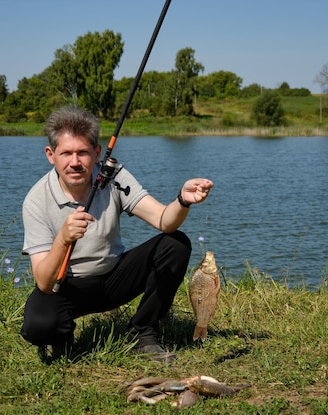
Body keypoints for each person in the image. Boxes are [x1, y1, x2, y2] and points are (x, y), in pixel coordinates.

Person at [20, 106, 214, 363]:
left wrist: (182, 200)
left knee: (175, 243)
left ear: (97, 153)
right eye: (66, 153)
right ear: (50, 154)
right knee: (38, 326)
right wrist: (63, 239)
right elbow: (44, 282)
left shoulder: (113, 176)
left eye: (83, 153)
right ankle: (62, 337)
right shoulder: (35, 200)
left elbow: (163, 220)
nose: (75, 162)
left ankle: (142, 333)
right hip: (66, 286)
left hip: (115, 277)